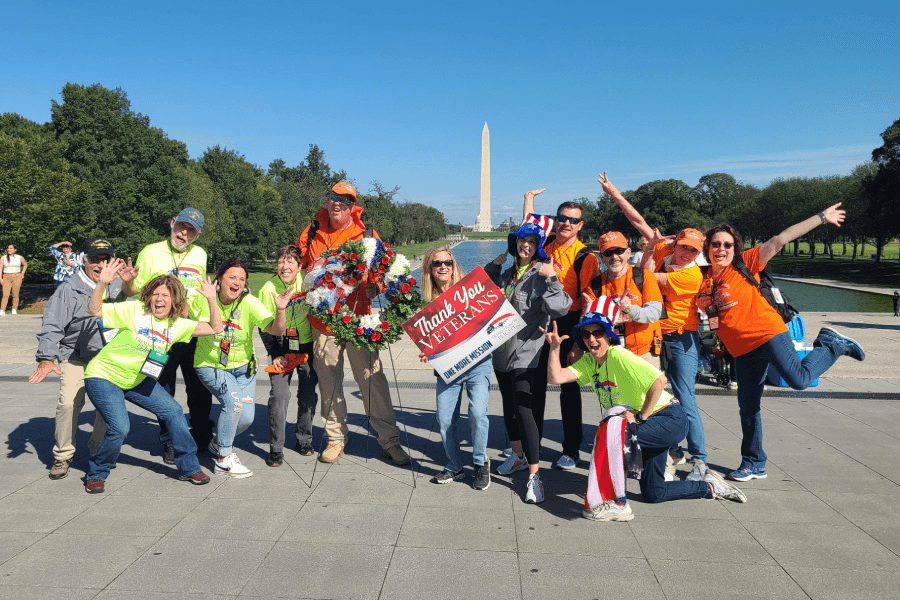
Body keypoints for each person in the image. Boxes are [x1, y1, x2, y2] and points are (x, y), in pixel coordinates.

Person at [697, 205, 865, 482]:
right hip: (742, 350)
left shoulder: (746, 262)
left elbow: (781, 238)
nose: (721, 249)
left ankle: (831, 344)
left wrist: (821, 218)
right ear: (708, 247)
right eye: (716, 244)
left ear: (735, 248)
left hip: (768, 334)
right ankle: (754, 463)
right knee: (748, 407)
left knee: (799, 380)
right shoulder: (702, 279)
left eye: (727, 244)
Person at [544, 297, 747, 522]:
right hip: (651, 426)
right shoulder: (589, 362)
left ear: (608, 335)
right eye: (586, 334)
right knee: (653, 493)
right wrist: (554, 348)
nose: (592, 339)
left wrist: (641, 417)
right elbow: (556, 377)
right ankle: (710, 487)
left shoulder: (619, 355)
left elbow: (659, 380)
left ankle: (617, 504)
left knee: (614, 436)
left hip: (669, 419)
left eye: (597, 333)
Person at [599, 171, 709, 482]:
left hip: (681, 338)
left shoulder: (691, 275)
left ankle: (699, 458)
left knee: (684, 398)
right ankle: (666, 451)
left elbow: (644, 277)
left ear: (698, 253)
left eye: (691, 250)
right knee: (652, 398)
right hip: (656, 338)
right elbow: (640, 225)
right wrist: (616, 194)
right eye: (682, 246)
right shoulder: (666, 251)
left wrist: (645, 254)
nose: (685, 253)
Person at [296, 182, 410, 466]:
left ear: (352, 206)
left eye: (345, 201)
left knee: (373, 381)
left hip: (359, 318)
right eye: (333, 197)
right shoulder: (312, 231)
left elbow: (386, 270)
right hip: (323, 322)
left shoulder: (366, 234)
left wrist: (377, 288)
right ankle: (336, 439)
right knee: (329, 384)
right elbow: (296, 268)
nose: (338, 204)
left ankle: (389, 441)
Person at [82, 266, 223, 494]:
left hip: (136, 379)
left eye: (165, 295)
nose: (159, 299)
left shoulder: (176, 325)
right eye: (156, 294)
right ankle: (97, 473)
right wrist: (102, 284)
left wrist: (211, 299)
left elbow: (215, 328)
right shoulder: (135, 310)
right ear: (148, 296)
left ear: (174, 300)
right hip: (104, 375)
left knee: (174, 412)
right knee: (120, 428)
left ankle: (189, 468)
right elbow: (94, 310)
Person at [486, 220, 571, 504]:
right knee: (509, 408)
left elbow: (560, 308)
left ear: (538, 247)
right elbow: (479, 296)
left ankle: (535, 475)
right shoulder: (507, 273)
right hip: (502, 351)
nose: (526, 246)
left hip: (528, 352)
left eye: (532, 242)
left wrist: (551, 278)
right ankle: (518, 456)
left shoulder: (541, 273)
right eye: (522, 241)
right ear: (514, 244)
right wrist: (494, 267)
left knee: (525, 411)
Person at [120, 207, 214, 463]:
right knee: (162, 387)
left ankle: (202, 436)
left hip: (191, 331)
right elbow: (132, 290)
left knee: (199, 388)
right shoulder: (151, 252)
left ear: (197, 235)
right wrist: (126, 281)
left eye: (191, 230)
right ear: (172, 223)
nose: (184, 232)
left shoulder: (200, 254)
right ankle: (169, 440)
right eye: (181, 225)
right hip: (159, 335)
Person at [30, 239, 127, 480]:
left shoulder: (117, 286)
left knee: (108, 407)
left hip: (105, 358)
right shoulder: (68, 288)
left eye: (106, 259)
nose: (100, 264)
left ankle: (99, 449)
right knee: (69, 404)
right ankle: (63, 455)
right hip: (74, 356)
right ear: (84, 260)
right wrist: (46, 357)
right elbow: (52, 324)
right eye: (95, 259)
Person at [523, 189, 600, 470]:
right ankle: (533, 443)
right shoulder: (549, 242)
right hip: (541, 320)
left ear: (581, 226)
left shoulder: (586, 258)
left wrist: (580, 341)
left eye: (572, 220)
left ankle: (571, 448)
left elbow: (589, 303)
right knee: (537, 385)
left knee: (569, 386)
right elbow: (528, 227)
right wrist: (528, 200)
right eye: (562, 218)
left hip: (569, 323)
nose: (566, 223)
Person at [194, 258, 290, 478]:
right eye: (232, 277)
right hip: (211, 366)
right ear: (219, 280)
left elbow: (276, 330)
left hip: (244, 369)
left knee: (245, 418)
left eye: (242, 279)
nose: (237, 282)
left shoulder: (249, 302)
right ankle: (223, 460)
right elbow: (181, 323)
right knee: (234, 405)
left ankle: (218, 442)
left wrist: (280, 310)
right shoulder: (202, 299)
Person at [418, 245, 491, 490]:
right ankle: (455, 465)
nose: (443, 267)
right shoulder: (427, 303)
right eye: (437, 263)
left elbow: (488, 318)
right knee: (445, 420)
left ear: (454, 266)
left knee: (478, 414)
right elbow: (431, 339)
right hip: (448, 368)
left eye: (447, 263)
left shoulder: (471, 290)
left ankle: (480, 463)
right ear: (430, 268)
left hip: (478, 364)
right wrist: (427, 351)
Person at [258, 245, 318, 466]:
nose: (285, 267)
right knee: (279, 396)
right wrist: (273, 353)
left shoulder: (309, 283)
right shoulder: (267, 289)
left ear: (299, 266)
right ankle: (275, 448)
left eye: (290, 262)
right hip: (280, 347)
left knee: (308, 394)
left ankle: (304, 439)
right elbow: (263, 325)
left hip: (305, 345)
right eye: (281, 262)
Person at [588, 231, 663, 363]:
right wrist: (592, 312)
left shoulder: (644, 276)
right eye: (608, 253)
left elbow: (654, 314)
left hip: (643, 354)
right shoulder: (595, 285)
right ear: (602, 257)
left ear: (628, 252)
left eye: (619, 251)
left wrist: (630, 310)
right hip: (608, 355)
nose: (614, 256)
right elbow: (589, 327)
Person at [1, 243, 28, 316]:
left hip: (17, 276)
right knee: (5, 294)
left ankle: (14, 309)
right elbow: (0, 268)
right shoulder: (3, 257)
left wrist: (22, 274)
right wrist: (0, 278)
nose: (9, 249)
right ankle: (2, 310)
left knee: (15, 294)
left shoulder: (19, 257)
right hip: (6, 276)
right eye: (8, 248)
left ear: (15, 250)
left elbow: (25, 265)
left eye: (11, 248)